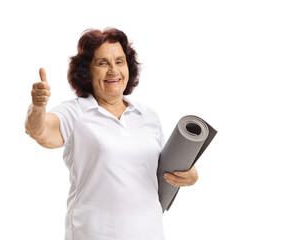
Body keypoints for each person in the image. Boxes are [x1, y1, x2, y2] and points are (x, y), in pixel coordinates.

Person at [25, 28, 198, 240]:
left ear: (128, 66)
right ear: (86, 72)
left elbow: (159, 172)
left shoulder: (148, 115)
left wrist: (188, 175)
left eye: (119, 61)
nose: (113, 70)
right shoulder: (77, 111)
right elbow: (40, 131)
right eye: (102, 63)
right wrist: (38, 106)